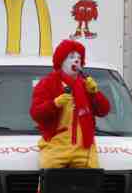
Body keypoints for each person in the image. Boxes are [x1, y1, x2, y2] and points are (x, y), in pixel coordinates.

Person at [29, 39, 110, 170]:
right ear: (61, 61)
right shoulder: (48, 83)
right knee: (50, 180)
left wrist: (95, 93)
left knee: (91, 181)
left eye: (79, 57)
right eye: (71, 57)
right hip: (56, 147)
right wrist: (54, 104)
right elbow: (36, 113)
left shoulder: (86, 85)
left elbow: (104, 110)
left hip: (84, 148)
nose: (76, 60)